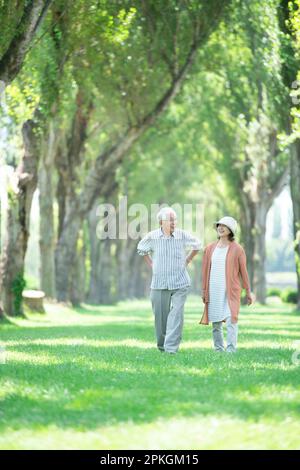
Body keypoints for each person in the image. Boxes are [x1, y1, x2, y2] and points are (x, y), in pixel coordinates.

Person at [137, 207, 201, 354]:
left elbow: (197, 244)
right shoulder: (152, 236)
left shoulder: (182, 235)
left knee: (176, 315)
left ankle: (171, 349)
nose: (174, 222)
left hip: (180, 282)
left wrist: (188, 259)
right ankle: (162, 347)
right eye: (170, 219)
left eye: (175, 219)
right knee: (161, 319)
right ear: (161, 222)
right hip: (159, 284)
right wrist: (151, 263)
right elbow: (141, 248)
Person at [200, 216, 253, 352]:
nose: (220, 228)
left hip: (231, 291)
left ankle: (231, 349)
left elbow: (243, 272)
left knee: (231, 320)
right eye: (219, 225)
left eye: (224, 226)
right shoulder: (210, 248)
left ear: (230, 230)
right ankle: (218, 349)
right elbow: (205, 271)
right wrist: (204, 290)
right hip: (214, 290)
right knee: (216, 322)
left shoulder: (237, 249)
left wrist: (248, 291)